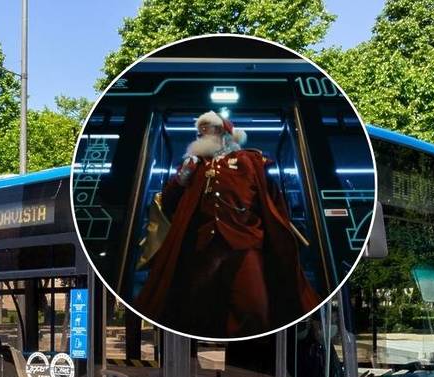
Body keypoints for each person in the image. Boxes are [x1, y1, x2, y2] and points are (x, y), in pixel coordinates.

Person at [135, 111, 321, 338]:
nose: (202, 134)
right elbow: (170, 202)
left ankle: (251, 360)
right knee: (193, 309)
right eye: (201, 130)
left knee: (254, 306)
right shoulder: (193, 166)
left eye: (209, 129)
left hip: (244, 244)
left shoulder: (251, 162)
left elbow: (271, 200)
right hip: (202, 247)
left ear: (224, 134)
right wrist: (182, 177)